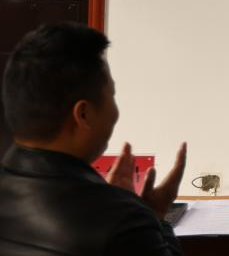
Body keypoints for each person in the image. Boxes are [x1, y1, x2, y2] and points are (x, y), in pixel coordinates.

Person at [0, 22, 187, 256]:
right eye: (112, 95)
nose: (116, 111)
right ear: (84, 114)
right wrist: (156, 215)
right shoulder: (122, 221)